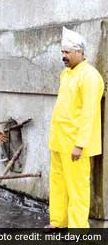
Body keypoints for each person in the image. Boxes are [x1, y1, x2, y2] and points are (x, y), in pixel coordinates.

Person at [47, 27, 104, 229]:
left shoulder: (90, 76)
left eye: (67, 52)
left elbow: (89, 113)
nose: (64, 56)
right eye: (62, 52)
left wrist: (80, 145)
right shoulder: (66, 74)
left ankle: (78, 229)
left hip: (75, 144)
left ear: (80, 52)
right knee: (58, 184)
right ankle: (58, 221)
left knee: (77, 187)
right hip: (59, 140)